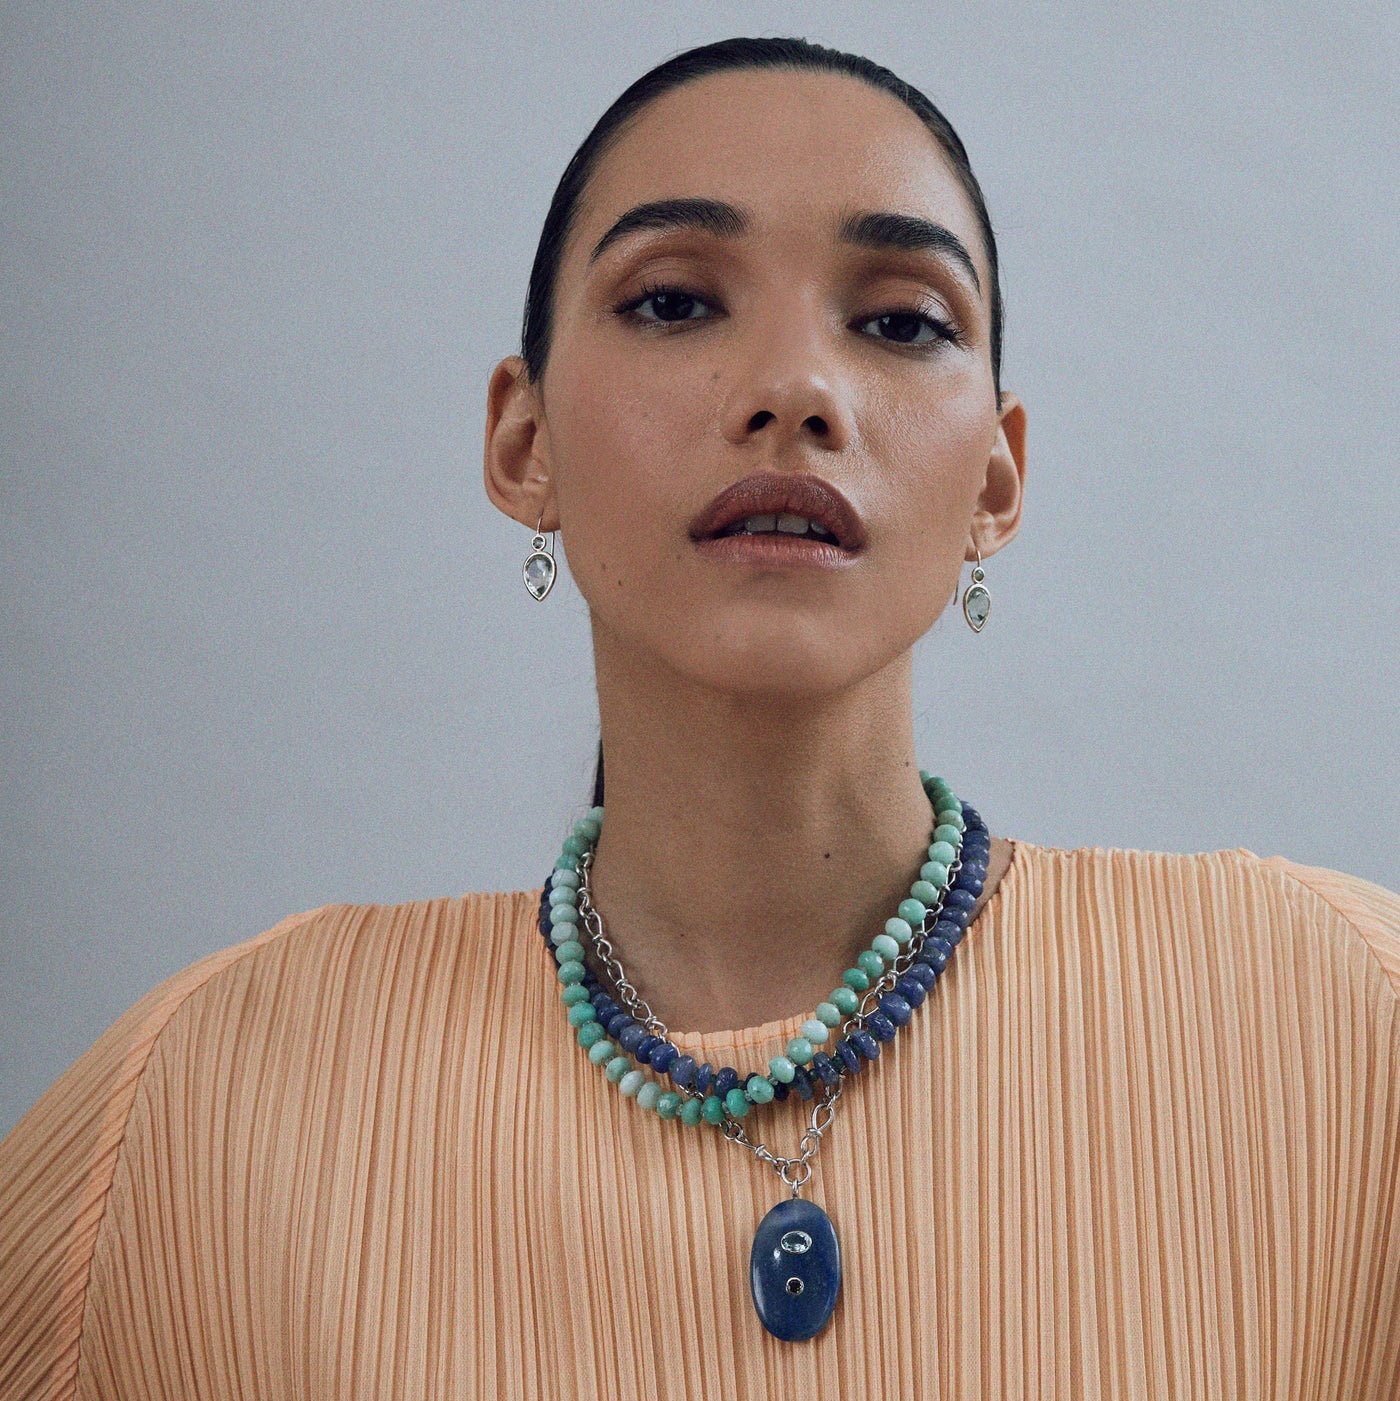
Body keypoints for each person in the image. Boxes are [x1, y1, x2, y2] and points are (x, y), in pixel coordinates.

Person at [2, 35, 1397, 1400]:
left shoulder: (1346, 1036)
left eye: (901, 320)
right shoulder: (196, 1116)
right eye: (675, 302)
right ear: (522, 440)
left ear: (997, 479)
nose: (795, 388)